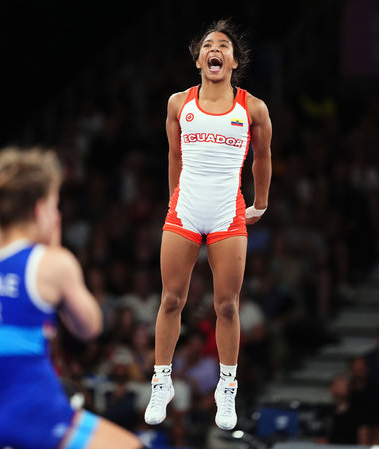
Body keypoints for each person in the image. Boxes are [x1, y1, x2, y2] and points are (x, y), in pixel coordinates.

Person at [0, 148, 143, 449]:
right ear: (40, 209)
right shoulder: (50, 263)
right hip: (39, 416)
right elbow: (90, 329)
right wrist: (58, 251)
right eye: (55, 206)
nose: (58, 215)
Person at [144, 18, 272, 431]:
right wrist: (172, 198)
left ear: (234, 61)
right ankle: (161, 381)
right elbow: (174, 156)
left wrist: (261, 203)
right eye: (207, 46)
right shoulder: (179, 104)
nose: (215, 49)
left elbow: (262, 159)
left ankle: (227, 386)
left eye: (223, 46)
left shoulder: (252, 108)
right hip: (186, 208)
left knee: (227, 305)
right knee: (170, 300)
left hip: (226, 212)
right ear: (199, 60)